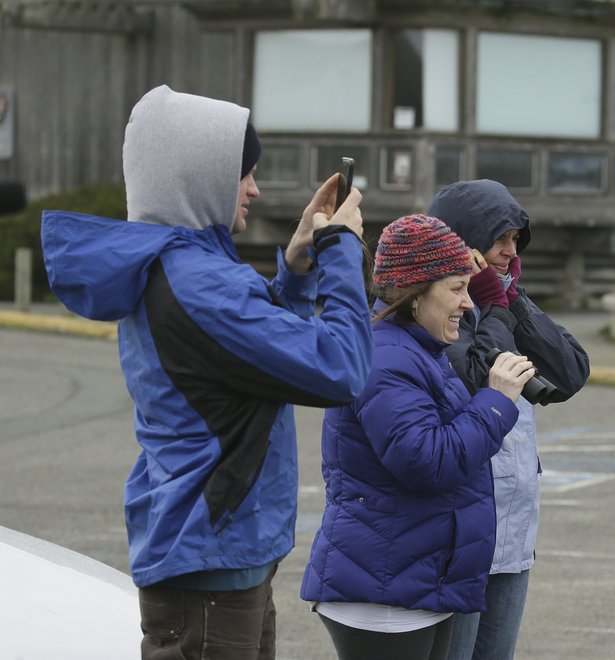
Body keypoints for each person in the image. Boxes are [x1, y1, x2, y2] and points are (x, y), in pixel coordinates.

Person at [41, 84, 374, 659]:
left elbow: (255, 365)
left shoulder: (177, 266)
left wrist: (295, 275)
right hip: (211, 560)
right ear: (199, 175)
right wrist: (342, 249)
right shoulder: (205, 285)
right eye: (243, 172)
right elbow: (340, 369)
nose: (254, 188)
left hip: (210, 549)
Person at [300, 213, 537, 660]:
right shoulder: (386, 357)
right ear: (414, 295)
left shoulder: (418, 350)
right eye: (455, 288)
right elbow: (426, 460)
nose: (468, 304)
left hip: (411, 582)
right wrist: (496, 400)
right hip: (385, 596)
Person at [426, 179, 590, 660]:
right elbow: (468, 376)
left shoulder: (502, 297)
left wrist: (507, 297)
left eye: (517, 240)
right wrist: (488, 305)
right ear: (461, 237)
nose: (508, 250)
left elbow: (570, 371)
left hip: (513, 534)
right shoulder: (432, 312)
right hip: (459, 537)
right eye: (500, 238)